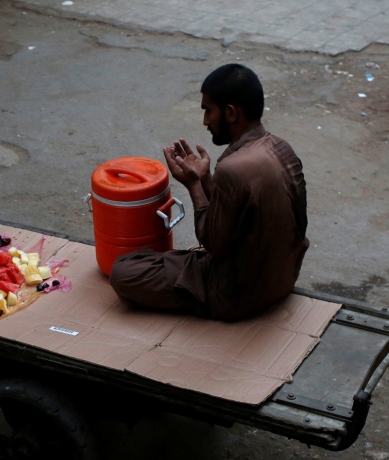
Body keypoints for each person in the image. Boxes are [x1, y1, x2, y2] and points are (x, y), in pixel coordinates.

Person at [109, 63, 309, 321]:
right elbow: (241, 211)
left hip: (234, 296)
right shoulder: (283, 149)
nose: (205, 122)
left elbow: (213, 243)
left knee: (123, 270)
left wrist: (194, 185)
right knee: (158, 259)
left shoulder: (233, 168)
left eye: (208, 111)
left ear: (231, 113)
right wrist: (205, 178)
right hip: (282, 281)